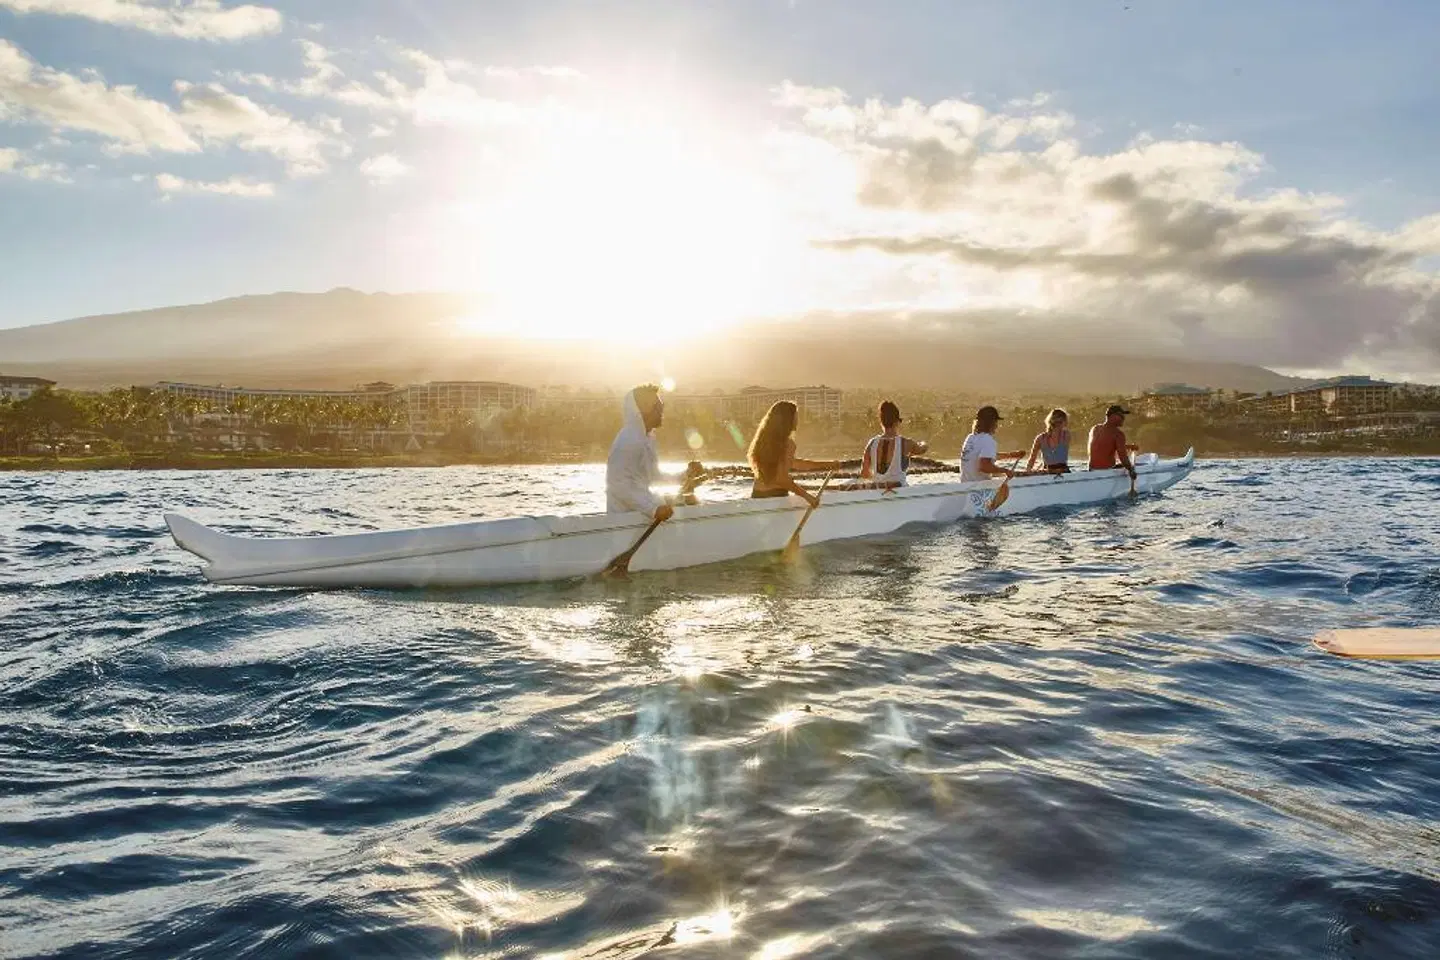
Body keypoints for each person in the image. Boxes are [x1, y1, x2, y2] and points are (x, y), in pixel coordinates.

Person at [605, 384, 704, 520]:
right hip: (623, 520)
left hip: (639, 515)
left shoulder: (646, 438)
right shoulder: (629, 440)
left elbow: (654, 476)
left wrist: (686, 475)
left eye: (661, 405)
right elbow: (620, 487)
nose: (662, 409)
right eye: (657, 406)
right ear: (643, 409)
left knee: (690, 501)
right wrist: (652, 509)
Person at [747, 400, 843, 505]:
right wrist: (807, 497)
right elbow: (780, 478)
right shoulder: (787, 444)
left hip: (758, 495)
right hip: (776, 496)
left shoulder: (763, 442)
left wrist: (826, 465)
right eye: (795, 415)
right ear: (788, 419)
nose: (797, 419)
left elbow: (792, 463)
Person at [857, 400, 929, 488]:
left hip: (878, 491)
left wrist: (879, 481)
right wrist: (924, 443)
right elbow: (922, 449)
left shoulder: (871, 443)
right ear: (897, 422)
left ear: (881, 422)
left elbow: (864, 474)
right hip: (901, 491)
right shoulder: (906, 443)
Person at [960, 405, 1015, 482]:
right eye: (996, 422)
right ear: (991, 423)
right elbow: (984, 467)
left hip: (964, 484)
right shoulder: (988, 440)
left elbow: (986, 456)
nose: (997, 425)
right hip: (979, 486)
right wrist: (1005, 471)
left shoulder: (970, 437)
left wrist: (1011, 455)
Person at [1088, 403, 1137, 483]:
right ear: (1113, 416)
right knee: (1131, 464)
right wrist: (1131, 469)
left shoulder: (1095, 429)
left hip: (1092, 470)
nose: (1123, 418)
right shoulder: (1118, 434)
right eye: (1121, 416)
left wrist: (1128, 446)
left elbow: (1103, 446)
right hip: (1107, 472)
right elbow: (1123, 458)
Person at [1025, 408, 1071, 474]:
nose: (1066, 424)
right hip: (1047, 473)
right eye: (1064, 422)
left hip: (1063, 471)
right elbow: (1032, 460)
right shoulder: (1040, 438)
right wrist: (1027, 471)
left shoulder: (1066, 435)